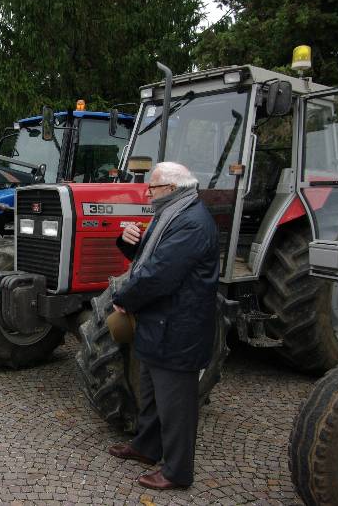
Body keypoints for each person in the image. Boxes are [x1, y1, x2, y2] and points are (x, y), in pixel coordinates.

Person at [107, 162, 218, 491]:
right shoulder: (172, 213)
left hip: (178, 329)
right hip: (160, 325)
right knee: (153, 395)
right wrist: (128, 242)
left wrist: (125, 297)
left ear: (170, 189)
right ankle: (146, 447)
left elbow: (159, 274)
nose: (147, 193)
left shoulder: (191, 223)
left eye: (152, 188)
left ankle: (177, 471)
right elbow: (148, 258)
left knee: (176, 405)